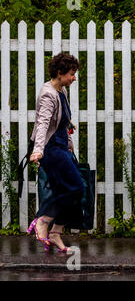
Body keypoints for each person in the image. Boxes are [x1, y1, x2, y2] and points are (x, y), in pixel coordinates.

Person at [27, 52, 83, 254]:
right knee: (76, 187)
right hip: (50, 149)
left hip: (60, 147)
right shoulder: (48, 94)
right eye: (71, 73)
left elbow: (63, 121)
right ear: (60, 73)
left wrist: (69, 142)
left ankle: (55, 232)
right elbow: (42, 124)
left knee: (70, 190)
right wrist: (38, 150)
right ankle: (43, 221)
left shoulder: (62, 91)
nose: (74, 77)